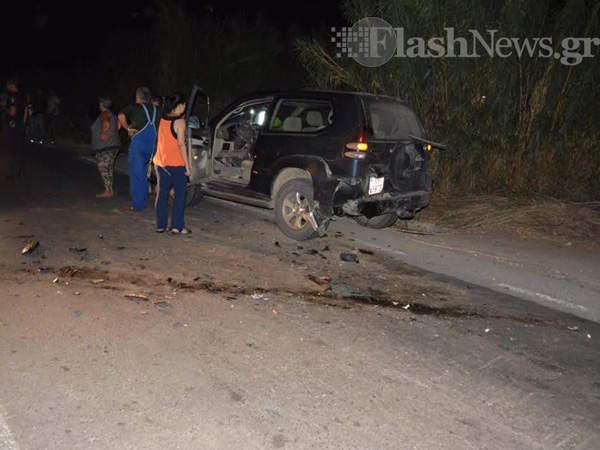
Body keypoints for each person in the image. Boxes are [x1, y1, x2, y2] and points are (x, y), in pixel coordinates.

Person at [153, 93, 192, 234]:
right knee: (180, 194)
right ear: (179, 105)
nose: (185, 107)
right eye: (184, 104)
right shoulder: (180, 122)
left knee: (162, 193)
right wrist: (187, 165)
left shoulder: (163, 118)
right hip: (175, 164)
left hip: (161, 162)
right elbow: (181, 144)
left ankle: (160, 225)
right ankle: (177, 226)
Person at [118, 86, 161, 211]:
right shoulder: (158, 109)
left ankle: (139, 204)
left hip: (139, 145)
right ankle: (145, 200)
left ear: (137, 97)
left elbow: (121, 116)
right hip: (153, 146)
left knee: (138, 174)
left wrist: (128, 129)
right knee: (146, 173)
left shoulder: (134, 107)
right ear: (149, 98)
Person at [90, 96, 121, 198]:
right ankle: (110, 189)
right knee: (109, 167)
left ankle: (107, 190)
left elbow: (106, 123)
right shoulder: (112, 115)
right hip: (113, 145)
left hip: (105, 146)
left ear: (102, 105)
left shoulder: (104, 113)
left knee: (103, 167)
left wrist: (103, 132)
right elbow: (118, 126)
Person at [1, 78, 28, 179]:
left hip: (13, 125)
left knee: (10, 148)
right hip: (20, 125)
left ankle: (12, 172)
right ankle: (20, 170)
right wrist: (23, 125)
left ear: (12, 85)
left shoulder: (13, 97)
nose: (7, 87)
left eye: (8, 85)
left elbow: (12, 112)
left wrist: (5, 109)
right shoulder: (23, 96)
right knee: (19, 148)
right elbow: (25, 112)